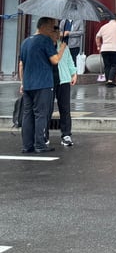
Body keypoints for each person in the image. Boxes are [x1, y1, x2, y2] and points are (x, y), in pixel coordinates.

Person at [18, 17, 65, 153]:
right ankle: (40, 144)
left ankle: (27, 145)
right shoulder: (45, 40)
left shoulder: (25, 42)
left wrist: (22, 82)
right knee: (41, 114)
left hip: (28, 83)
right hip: (43, 83)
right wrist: (62, 48)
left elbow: (21, 64)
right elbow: (55, 60)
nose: (53, 30)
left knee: (28, 114)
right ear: (44, 26)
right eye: (51, 27)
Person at [53, 31, 79, 146]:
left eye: (57, 32)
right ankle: (44, 135)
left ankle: (66, 134)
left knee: (65, 109)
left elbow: (69, 60)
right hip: (49, 81)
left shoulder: (63, 46)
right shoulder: (46, 45)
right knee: (46, 109)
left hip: (63, 79)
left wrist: (74, 73)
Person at [95, 13, 116, 88]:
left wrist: (98, 46)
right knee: (115, 65)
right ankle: (110, 80)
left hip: (105, 49)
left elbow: (97, 37)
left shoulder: (103, 27)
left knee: (107, 65)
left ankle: (108, 81)